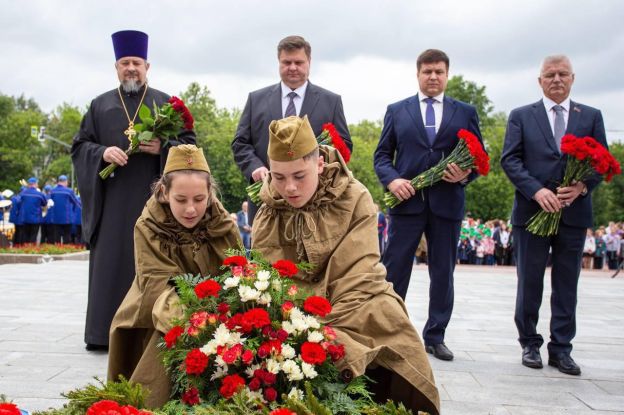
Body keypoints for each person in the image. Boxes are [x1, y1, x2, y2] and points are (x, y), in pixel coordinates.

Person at [252, 116, 440, 415]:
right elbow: (265, 276)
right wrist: (292, 319)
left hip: (350, 296)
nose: (289, 188)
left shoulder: (355, 197)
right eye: (279, 177)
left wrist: (319, 326)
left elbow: (359, 272)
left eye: (299, 176)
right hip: (291, 302)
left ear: (319, 165)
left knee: (388, 318)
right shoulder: (268, 208)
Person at [72, 30, 196, 351]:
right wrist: (102, 153)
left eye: (136, 63)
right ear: (116, 67)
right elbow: (79, 146)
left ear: (147, 66)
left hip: (154, 202)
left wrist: (163, 149)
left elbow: (190, 148)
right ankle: (102, 335)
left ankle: (150, 334)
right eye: (125, 62)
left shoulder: (165, 104)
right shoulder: (99, 106)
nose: (131, 68)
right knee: (112, 265)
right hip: (112, 204)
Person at [108, 145, 241, 408]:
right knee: (170, 333)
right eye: (181, 200)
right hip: (158, 305)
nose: (191, 209)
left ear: (210, 194)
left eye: (199, 199)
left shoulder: (222, 224)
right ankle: (148, 406)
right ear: (164, 192)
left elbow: (237, 272)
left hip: (218, 306)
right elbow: (157, 284)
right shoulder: (148, 226)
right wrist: (200, 319)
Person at [373, 49, 484, 361]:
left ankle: (435, 336)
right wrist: (392, 180)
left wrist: (465, 174)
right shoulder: (397, 110)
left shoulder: (465, 112)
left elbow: (478, 158)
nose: (433, 77)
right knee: (394, 269)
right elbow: (382, 156)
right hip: (406, 205)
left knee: (443, 272)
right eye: (427, 71)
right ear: (418, 74)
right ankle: (390, 332)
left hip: (447, 205)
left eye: (439, 71)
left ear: (447, 74)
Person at [501, 55, 608, 375]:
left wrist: (582, 187)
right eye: (550, 75)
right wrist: (537, 191)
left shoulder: (590, 116)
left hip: (574, 215)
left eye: (562, 74)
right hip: (532, 212)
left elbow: (601, 161)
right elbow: (510, 160)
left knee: (567, 284)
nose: (556, 80)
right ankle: (530, 343)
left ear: (573, 78)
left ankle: (562, 348)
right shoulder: (521, 115)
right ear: (540, 81)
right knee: (529, 281)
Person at [232, 35, 352, 226]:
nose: (293, 67)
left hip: (316, 202)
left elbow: (344, 147)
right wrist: (254, 167)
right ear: (278, 62)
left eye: (298, 62)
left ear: (309, 62)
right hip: (265, 198)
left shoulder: (331, 102)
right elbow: (240, 143)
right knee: (263, 256)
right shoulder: (256, 99)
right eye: (286, 62)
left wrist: (316, 168)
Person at [50, 175, 81, 244]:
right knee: (66, 237)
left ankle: (57, 250)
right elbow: (76, 202)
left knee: (57, 237)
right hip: (67, 219)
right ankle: (66, 250)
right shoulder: (69, 191)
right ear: (65, 181)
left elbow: (49, 202)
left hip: (56, 218)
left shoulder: (52, 191)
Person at [17, 178, 47, 244]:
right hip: (36, 219)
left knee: (25, 236)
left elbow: (19, 202)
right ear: (35, 184)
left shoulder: (23, 193)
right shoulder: (39, 194)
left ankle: (25, 250)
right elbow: (44, 203)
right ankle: (32, 250)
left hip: (25, 218)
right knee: (33, 236)